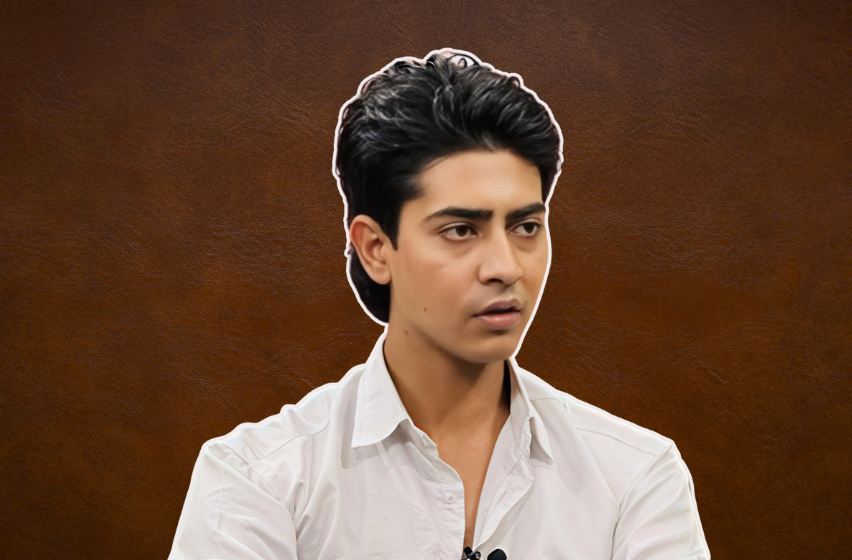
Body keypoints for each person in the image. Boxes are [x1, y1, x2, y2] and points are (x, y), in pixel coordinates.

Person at [168, 48, 710, 560]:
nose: (505, 267)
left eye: (526, 226)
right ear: (375, 248)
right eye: (460, 230)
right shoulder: (257, 477)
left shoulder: (635, 476)